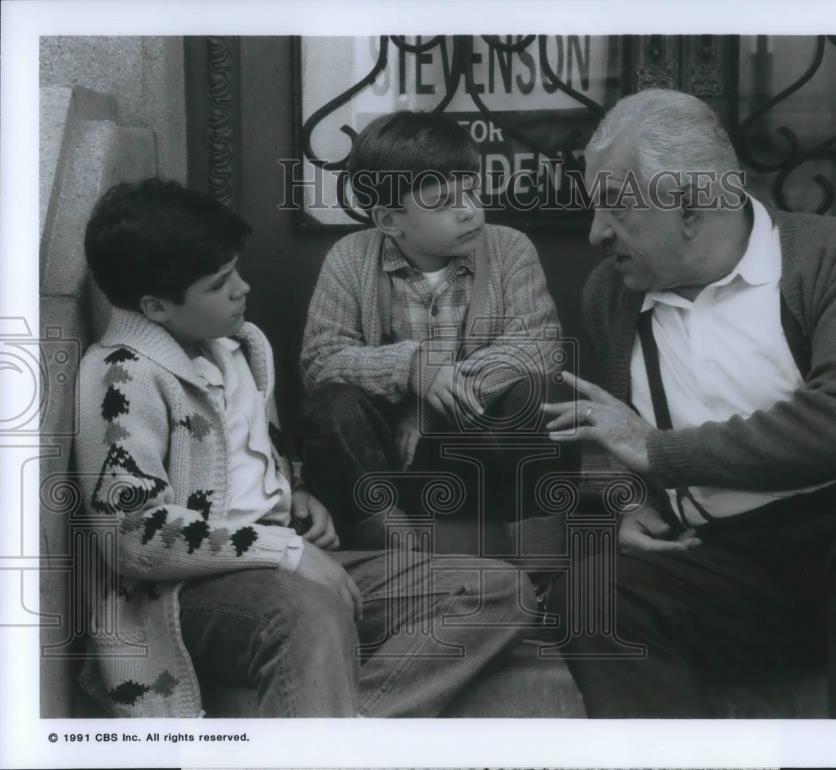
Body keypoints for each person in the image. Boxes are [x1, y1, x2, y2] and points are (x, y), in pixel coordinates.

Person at [541, 88, 836, 718]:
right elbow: (619, 435)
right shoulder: (614, 293)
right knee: (594, 595)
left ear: (693, 206)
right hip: (733, 557)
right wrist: (632, 498)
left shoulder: (835, 255)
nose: (597, 232)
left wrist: (660, 454)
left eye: (615, 208)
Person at [74, 178, 536, 717]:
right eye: (221, 283)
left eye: (237, 271)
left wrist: (294, 493)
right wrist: (288, 552)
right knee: (308, 608)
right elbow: (134, 536)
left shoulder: (236, 348)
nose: (243, 288)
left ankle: (345, 732)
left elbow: (243, 462)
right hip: (183, 598)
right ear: (155, 306)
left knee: (501, 590)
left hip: (279, 562)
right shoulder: (120, 377)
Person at [299, 110, 577, 551]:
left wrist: (433, 403)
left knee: (545, 394)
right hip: (389, 461)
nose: (469, 211)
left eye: (471, 191)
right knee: (333, 403)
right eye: (445, 202)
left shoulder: (508, 249)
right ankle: (394, 547)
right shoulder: (350, 257)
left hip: (481, 454)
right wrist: (412, 367)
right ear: (390, 221)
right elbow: (321, 360)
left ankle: (540, 557)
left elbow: (539, 345)